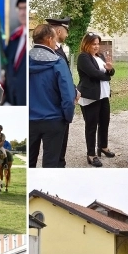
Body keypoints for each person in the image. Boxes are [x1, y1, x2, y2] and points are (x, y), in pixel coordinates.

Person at [29, 24, 76, 168]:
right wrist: (67, 118)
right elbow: (68, 97)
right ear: (49, 39)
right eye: (55, 39)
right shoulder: (58, 62)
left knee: (29, 162)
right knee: (52, 163)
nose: (56, 42)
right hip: (54, 120)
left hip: (29, 120)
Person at [46, 16, 80, 168]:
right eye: (66, 31)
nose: (67, 35)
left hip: (54, 103)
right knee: (56, 152)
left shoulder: (58, 49)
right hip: (56, 105)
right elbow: (59, 79)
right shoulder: (53, 51)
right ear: (59, 31)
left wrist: (73, 89)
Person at [77, 32, 115, 167]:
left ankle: (103, 147)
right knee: (91, 126)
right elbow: (93, 73)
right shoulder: (83, 57)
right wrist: (107, 75)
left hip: (103, 95)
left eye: (98, 44)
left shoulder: (100, 56)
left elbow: (110, 70)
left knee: (105, 123)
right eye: (93, 44)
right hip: (90, 97)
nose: (96, 46)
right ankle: (91, 154)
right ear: (86, 44)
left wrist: (109, 70)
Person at [3, 0, 27, 106]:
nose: (22, 13)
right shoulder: (14, 38)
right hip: (13, 101)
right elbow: (9, 70)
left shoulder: (35, 38)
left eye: (26, 8)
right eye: (20, 9)